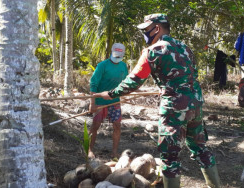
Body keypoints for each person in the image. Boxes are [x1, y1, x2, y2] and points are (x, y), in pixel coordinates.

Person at [93, 14, 221, 188]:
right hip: (195, 104)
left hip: (173, 108)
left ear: (157, 28)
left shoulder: (153, 51)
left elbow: (135, 80)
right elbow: (192, 75)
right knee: (200, 148)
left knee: (169, 157)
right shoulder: (185, 47)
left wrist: (112, 93)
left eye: (146, 30)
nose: (144, 34)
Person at [88, 43, 128, 159]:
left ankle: (114, 152)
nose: (116, 58)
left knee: (117, 125)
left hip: (114, 101)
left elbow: (125, 82)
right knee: (95, 125)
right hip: (100, 101)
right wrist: (92, 103)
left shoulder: (123, 66)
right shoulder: (102, 66)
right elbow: (93, 84)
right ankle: (89, 150)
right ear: (111, 52)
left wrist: (129, 92)